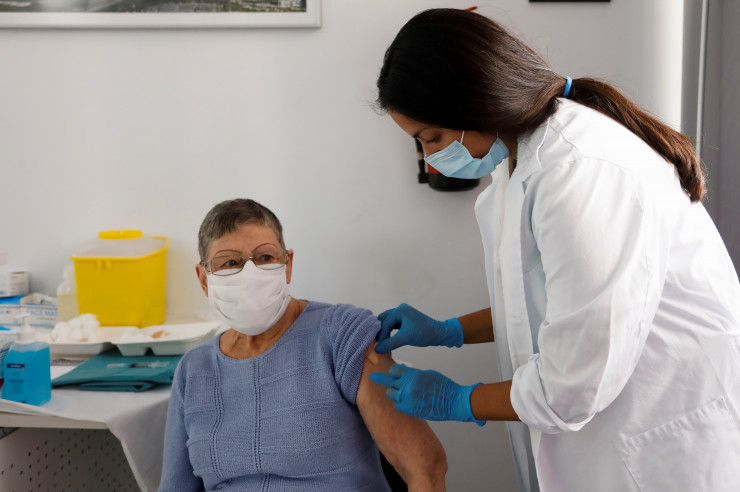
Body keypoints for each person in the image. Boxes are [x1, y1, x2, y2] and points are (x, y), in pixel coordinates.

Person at [369, 8, 740, 492]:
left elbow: (571, 386)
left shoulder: (580, 172)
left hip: (663, 446)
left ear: (473, 103)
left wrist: (458, 399)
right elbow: (541, 304)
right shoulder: (518, 162)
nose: (432, 160)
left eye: (431, 138)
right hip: (606, 436)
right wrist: (449, 331)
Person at [159, 198, 447, 492]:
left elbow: (425, 467)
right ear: (204, 278)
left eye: (265, 257)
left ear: (287, 265)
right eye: (230, 263)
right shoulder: (193, 370)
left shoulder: (342, 334)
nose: (250, 274)